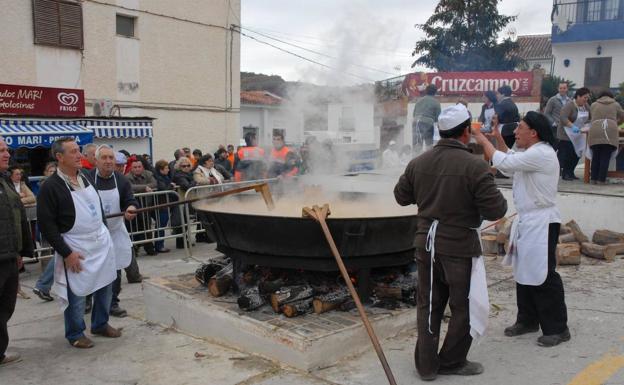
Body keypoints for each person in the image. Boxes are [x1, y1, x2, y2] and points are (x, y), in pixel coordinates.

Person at [394, 104, 507, 380]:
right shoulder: (475, 166)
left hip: (426, 244)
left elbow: (401, 196)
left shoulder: (418, 162)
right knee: (463, 306)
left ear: (442, 132)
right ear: (466, 132)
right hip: (458, 246)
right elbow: (497, 210)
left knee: (428, 304)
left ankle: (427, 366)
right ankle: (452, 361)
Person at [473, 111, 570, 347]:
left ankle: (558, 327)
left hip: (542, 222)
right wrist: (497, 138)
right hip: (528, 221)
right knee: (524, 272)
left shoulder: (542, 153)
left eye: (520, 128)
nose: (516, 131)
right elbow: (510, 164)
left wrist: (480, 137)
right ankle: (528, 319)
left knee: (543, 274)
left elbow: (505, 162)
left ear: (533, 133)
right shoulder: (531, 154)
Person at [37, 137, 120, 349]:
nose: (79, 155)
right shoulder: (51, 187)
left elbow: (97, 208)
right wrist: (66, 253)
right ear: (59, 157)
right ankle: (75, 332)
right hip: (76, 247)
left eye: (79, 151)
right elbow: (47, 226)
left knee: (105, 285)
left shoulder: (86, 177)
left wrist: (104, 235)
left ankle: (100, 323)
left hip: (99, 243)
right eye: (73, 152)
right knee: (77, 292)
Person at [88, 145, 141, 318]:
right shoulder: (87, 179)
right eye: (104, 158)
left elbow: (130, 200)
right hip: (93, 234)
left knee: (115, 269)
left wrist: (131, 208)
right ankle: (88, 299)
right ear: (96, 161)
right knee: (92, 270)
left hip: (115, 231)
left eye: (111, 158)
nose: (109, 161)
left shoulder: (121, 180)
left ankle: (113, 303)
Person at [0, 137, 34, 365]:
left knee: (5, 307)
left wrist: (20, 252)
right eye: (1, 150)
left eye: (6, 149)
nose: (7, 154)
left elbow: (16, 215)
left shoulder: (5, 181)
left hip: (9, 255)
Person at [588, 90, 624, 184]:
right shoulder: (615, 104)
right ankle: (601, 180)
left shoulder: (594, 105)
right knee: (605, 156)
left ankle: (593, 178)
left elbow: (592, 117)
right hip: (610, 131)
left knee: (595, 156)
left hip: (595, 129)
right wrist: (617, 122)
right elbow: (622, 115)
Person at [557, 87, 591, 181]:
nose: (586, 100)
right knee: (567, 154)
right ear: (578, 96)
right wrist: (572, 126)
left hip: (578, 134)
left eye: (587, 98)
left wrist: (588, 124)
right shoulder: (569, 105)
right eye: (585, 97)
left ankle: (571, 172)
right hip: (566, 134)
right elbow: (563, 118)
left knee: (576, 154)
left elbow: (590, 116)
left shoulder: (586, 106)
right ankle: (565, 173)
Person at [126, 159, 158, 256]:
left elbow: (154, 184)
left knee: (147, 226)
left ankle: (149, 247)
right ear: (131, 168)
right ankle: (134, 248)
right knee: (134, 228)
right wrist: (144, 188)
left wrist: (141, 188)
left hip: (146, 205)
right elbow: (129, 186)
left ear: (142, 167)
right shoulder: (127, 176)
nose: (137, 169)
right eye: (135, 167)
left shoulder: (148, 173)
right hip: (134, 205)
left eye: (139, 167)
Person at [153, 159, 178, 252]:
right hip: (162, 204)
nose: (168, 170)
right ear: (161, 169)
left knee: (161, 224)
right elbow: (163, 189)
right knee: (161, 224)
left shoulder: (165, 177)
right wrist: (171, 186)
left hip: (166, 203)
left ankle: (160, 244)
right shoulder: (159, 178)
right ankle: (159, 246)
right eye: (166, 168)